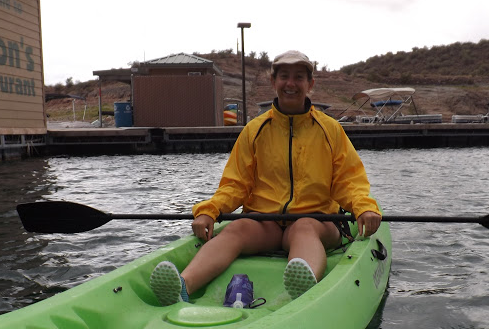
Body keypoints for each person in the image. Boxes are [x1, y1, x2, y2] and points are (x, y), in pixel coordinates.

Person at [150, 50, 382, 305]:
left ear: (310, 84)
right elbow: (235, 184)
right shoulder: (254, 129)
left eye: (299, 77)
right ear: (274, 81)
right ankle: (183, 286)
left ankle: (306, 289)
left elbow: (348, 181)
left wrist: (363, 207)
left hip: (318, 221)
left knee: (303, 227)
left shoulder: (330, 129)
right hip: (266, 223)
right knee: (237, 228)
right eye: (284, 76)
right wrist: (209, 210)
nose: (290, 83)